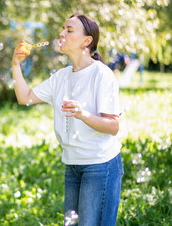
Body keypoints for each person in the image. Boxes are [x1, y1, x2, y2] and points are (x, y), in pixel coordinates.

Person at [12, 14, 123, 225]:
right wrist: (16, 64)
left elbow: (113, 126)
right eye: (63, 29)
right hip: (72, 164)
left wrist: (83, 114)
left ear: (86, 41)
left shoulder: (102, 74)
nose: (62, 33)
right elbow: (24, 98)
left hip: (99, 165)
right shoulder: (61, 76)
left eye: (69, 30)